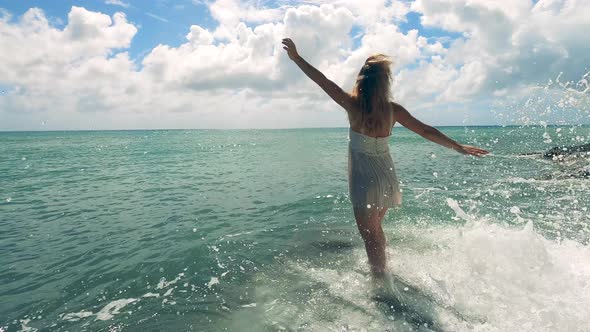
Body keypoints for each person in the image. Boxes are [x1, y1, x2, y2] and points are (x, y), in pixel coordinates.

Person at [282, 38, 489, 279]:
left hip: (364, 180)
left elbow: (322, 81)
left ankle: (379, 284)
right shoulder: (394, 111)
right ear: (384, 84)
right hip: (386, 177)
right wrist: (457, 146)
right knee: (375, 230)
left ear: (362, 81)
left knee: (369, 235)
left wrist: (296, 58)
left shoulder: (352, 104)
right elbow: (426, 131)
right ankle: (383, 270)